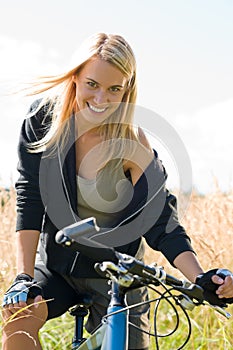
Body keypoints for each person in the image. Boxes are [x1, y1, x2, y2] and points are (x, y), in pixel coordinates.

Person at [2, 32, 233, 350]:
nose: (100, 100)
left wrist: (199, 277)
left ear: (127, 89)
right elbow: (30, 198)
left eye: (114, 89)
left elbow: (161, 221)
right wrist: (23, 276)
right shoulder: (43, 120)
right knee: (18, 318)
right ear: (76, 78)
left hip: (119, 276)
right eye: (92, 85)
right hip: (57, 268)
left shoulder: (133, 143)